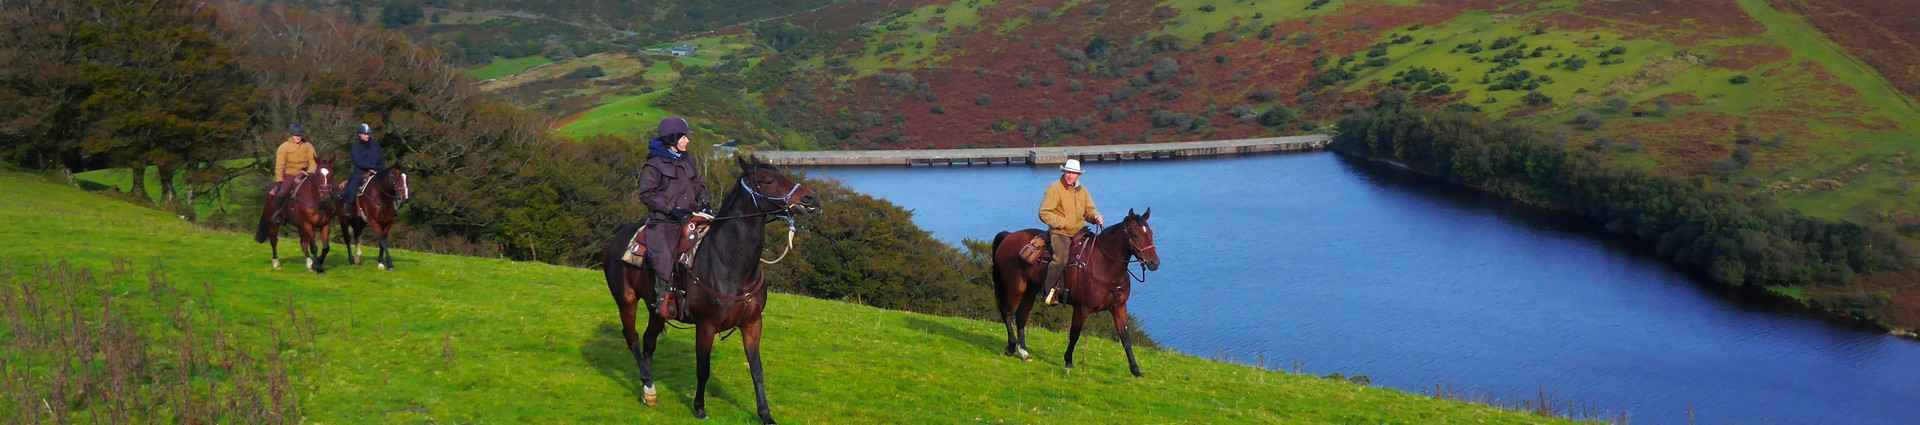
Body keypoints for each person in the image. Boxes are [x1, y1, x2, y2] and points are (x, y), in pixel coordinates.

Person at [638, 116, 710, 319]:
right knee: (664, 256)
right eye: (684, 137)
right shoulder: (653, 165)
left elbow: (699, 183)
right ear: (672, 139)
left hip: (691, 216)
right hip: (664, 221)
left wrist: (705, 202)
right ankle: (663, 299)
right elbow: (646, 194)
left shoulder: (688, 160)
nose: (688, 140)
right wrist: (671, 209)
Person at [1038, 158, 1102, 306]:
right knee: (1060, 259)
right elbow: (1044, 212)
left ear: (1078, 175)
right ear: (1064, 172)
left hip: (1080, 231)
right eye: (1068, 172)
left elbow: (1089, 210)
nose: (1070, 175)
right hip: (1060, 233)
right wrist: (1063, 223)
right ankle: (1048, 293)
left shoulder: (1083, 191)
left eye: (1073, 173)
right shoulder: (1054, 188)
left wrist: (1096, 217)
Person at [268, 123, 319, 219]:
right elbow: (280, 165)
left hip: (306, 174)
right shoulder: (284, 147)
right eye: (296, 135)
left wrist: (308, 172)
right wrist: (279, 180)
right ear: (291, 135)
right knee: (282, 193)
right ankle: (278, 213)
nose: (298, 137)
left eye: (300, 135)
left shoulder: (308, 146)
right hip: (289, 174)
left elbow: (313, 161)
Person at [339, 123, 384, 216]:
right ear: (359, 134)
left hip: (377, 171)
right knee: (351, 188)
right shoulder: (355, 146)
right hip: (361, 172)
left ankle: (392, 207)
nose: (367, 135)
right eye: (365, 134)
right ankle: (349, 207)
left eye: (368, 134)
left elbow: (381, 159)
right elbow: (358, 161)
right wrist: (369, 168)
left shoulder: (376, 145)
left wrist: (378, 169)